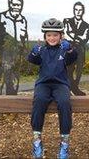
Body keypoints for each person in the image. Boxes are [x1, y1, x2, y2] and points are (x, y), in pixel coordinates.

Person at [27, 18, 78, 159]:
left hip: (60, 84)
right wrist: (34, 52)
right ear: (45, 37)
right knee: (39, 101)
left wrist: (70, 49)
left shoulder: (64, 49)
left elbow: (73, 56)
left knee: (64, 102)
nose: (52, 38)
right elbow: (31, 60)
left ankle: (64, 144)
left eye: (55, 35)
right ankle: (37, 141)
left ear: (61, 36)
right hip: (43, 84)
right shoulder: (42, 50)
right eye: (49, 35)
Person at [0, 0, 28, 95]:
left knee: (14, 81)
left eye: (19, 5)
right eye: (14, 4)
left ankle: (11, 103)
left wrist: (24, 54)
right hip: (1, 55)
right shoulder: (0, 18)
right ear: (9, 4)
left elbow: (24, 39)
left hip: (16, 57)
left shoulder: (23, 21)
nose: (16, 7)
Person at [63, 1, 89, 96]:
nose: (78, 12)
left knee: (79, 71)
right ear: (73, 10)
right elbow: (65, 35)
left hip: (80, 50)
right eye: (76, 10)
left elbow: (84, 39)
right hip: (69, 49)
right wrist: (77, 36)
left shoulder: (87, 26)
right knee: (69, 69)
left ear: (83, 11)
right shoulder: (67, 21)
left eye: (80, 10)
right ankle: (70, 88)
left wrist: (72, 34)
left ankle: (75, 88)